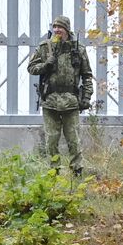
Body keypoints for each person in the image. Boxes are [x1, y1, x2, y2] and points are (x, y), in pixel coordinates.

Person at [27, 15, 95, 177]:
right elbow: (31, 68)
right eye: (55, 27)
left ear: (67, 30)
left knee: (73, 138)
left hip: (71, 100)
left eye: (60, 27)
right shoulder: (45, 47)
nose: (57, 30)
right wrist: (45, 65)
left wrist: (86, 97)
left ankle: (77, 170)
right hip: (50, 100)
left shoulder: (78, 49)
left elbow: (87, 75)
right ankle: (54, 170)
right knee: (52, 138)